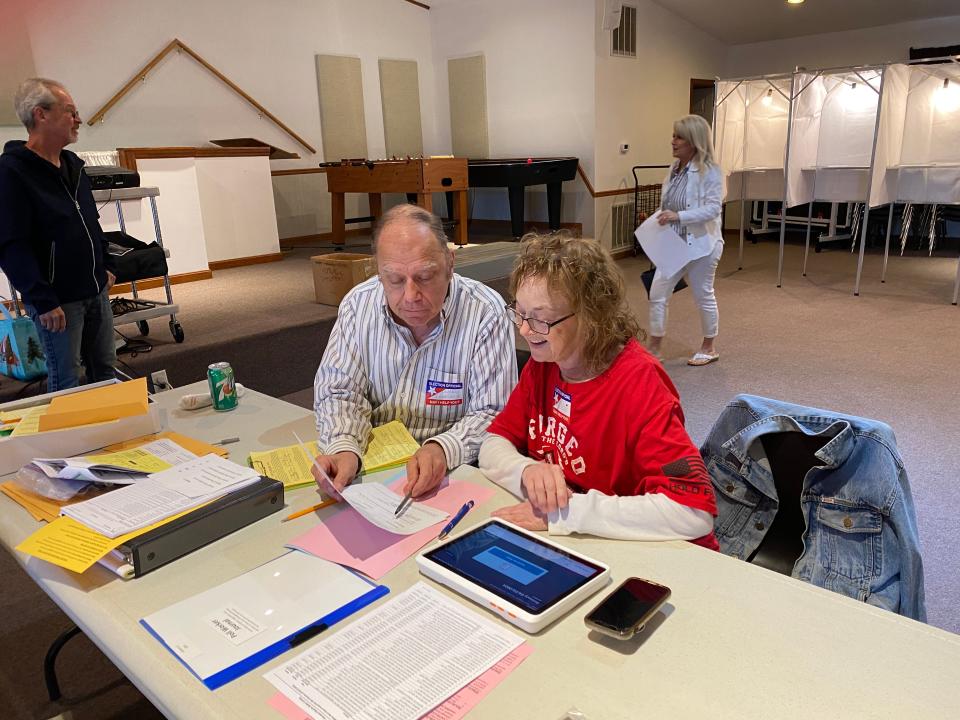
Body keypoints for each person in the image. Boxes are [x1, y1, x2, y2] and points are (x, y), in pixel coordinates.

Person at [479, 232, 718, 548]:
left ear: (591, 317)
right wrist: (526, 470)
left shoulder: (639, 382)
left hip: (652, 556)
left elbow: (693, 511)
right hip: (584, 541)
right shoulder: (545, 362)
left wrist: (567, 512)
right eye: (520, 314)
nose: (524, 330)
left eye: (540, 319)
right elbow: (493, 443)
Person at [312, 203, 517, 499]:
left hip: (452, 471)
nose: (410, 296)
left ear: (450, 263)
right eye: (394, 280)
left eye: (424, 277)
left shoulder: (485, 311)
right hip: (370, 466)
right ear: (378, 272)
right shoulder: (358, 304)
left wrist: (442, 448)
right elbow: (338, 391)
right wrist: (343, 446)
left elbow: (494, 410)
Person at [0, 78, 116, 390]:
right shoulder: (12, 172)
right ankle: (71, 441)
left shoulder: (73, 165)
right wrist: (42, 298)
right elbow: (11, 244)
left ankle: (110, 435)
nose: (78, 119)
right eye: (70, 112)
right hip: (58, 302)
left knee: (105, 371)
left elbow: (91, 221)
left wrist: (105, 263)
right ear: (41, 115)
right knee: (67, 381)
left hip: (95, 290)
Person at [647, 114, 724, 366]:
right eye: (673, 135)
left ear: (694, 141)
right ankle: (655, 347)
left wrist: (678, 216)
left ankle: (709, 347)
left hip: (703, 244)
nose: (673, 141)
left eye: (678, 137)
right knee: (658, 293)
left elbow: (713, 209)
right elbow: (669, 203)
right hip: (674, 242)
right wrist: (661, 217)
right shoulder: (674, 168)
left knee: (703, 294)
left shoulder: (711, 171)